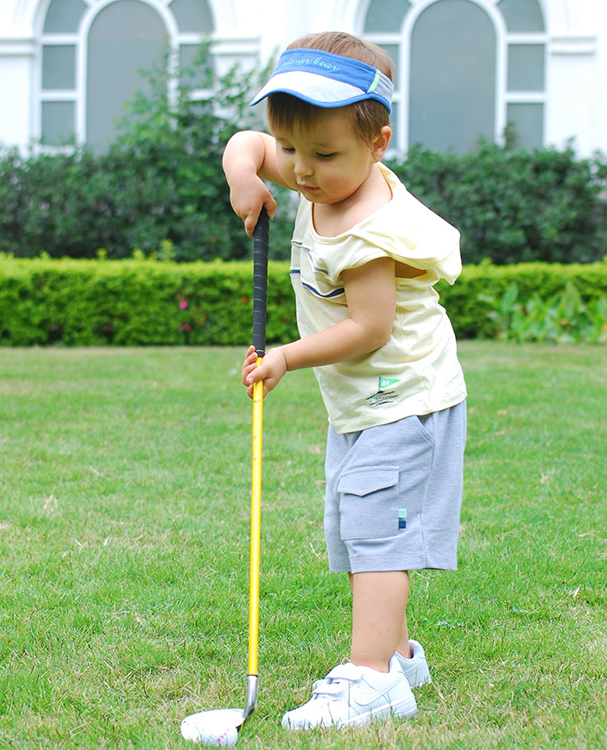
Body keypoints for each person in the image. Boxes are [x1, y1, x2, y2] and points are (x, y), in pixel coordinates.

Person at [222, 31, 467, 731]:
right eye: (290, 148)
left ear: (378, 143)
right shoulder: (318, 168)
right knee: (360, 525)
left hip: (405, 399)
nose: (299, 170)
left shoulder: (367, 230)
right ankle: (397, 654)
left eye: (322, 154)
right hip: (367, 403)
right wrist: (247, 172)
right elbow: (247, 143)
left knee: (376, 528)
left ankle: (372, 679)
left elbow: (370, 329)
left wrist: (289, 357)